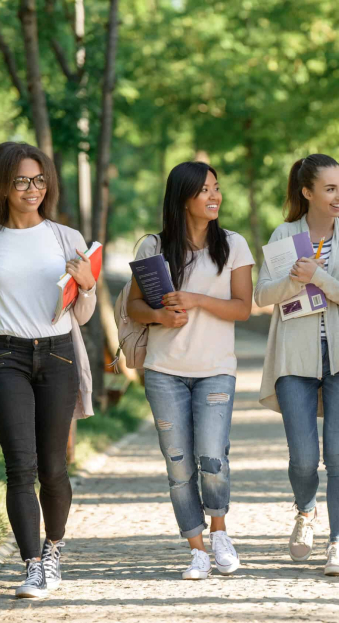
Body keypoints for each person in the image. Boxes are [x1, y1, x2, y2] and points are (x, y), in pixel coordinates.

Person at [0, 142, 97, 599]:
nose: (32, 188)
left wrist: (87, 286)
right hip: (5, 357)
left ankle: (54, 548)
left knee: (54, 467)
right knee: (19, 467)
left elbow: (82, 315)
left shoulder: (66, 238)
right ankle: (32, 565)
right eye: (22, 180)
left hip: (58, 354)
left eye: (39, 179)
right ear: (1, 186)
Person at [126, 161, 254, 580]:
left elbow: (242, 308)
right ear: (183, 198)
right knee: (178, 463)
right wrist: (161, 317)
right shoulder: (152, 247)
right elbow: (133, 308)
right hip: (164, 371)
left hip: (216, 369)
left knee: (212, 456)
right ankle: (196, 547)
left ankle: (220, 532)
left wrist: (197, 299)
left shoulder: (233, 245)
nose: (214, 196)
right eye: (204, 190)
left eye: (217, 188)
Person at [255, 154, 339, 577]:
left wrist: (318, 276)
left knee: (338, 453)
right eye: (330, 188)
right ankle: (306, 510)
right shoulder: (285, 234)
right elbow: (263, 295)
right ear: (307, 193)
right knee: (304, 458)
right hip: (293, 355)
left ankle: (338, 542)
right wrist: (294, 280)